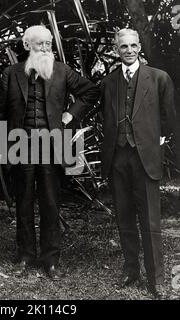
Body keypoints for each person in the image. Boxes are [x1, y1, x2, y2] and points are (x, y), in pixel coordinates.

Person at [0, 25, 99, 280]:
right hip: (21, 145)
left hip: (53, 146)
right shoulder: (11, 73)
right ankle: (25, 256)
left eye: (48, 43)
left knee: (51, 203)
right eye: (40, 44)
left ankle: (51, 260)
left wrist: (69, 115)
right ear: (27, 45)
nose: (45, 48)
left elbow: (90, 91)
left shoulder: (62, 71)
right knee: (24, 203)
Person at [100, 28, 176, 298]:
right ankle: (131, 269)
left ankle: (156, 278)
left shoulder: (158, 78)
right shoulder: (109, 82)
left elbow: (169, 117)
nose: (129, 50)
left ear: (140, 46)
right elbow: (106, 118)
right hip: (118, 157)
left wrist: (156, 141)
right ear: (115, 49)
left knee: (150, 220)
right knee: (124, 217)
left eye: (134, 45)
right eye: (124, 46)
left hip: (146, 157)